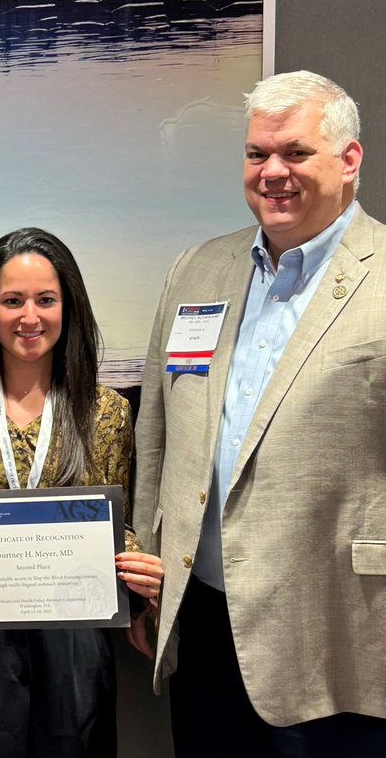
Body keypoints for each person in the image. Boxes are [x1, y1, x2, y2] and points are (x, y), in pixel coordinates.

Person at [133, 69, 386, 754]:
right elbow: (155, 432)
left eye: (296, 153)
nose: (272, 171)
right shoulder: (197, 269)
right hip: (204, 621)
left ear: (349, 159)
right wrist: (144, 560)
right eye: (257, 154)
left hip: (336, 627)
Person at [0, 228, 163, 758]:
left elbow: (122, 526)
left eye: (46, 300)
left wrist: (138, 568)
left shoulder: (106, 411)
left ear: (69, 306)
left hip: (76, 644)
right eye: (12, 300)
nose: (30, 317)